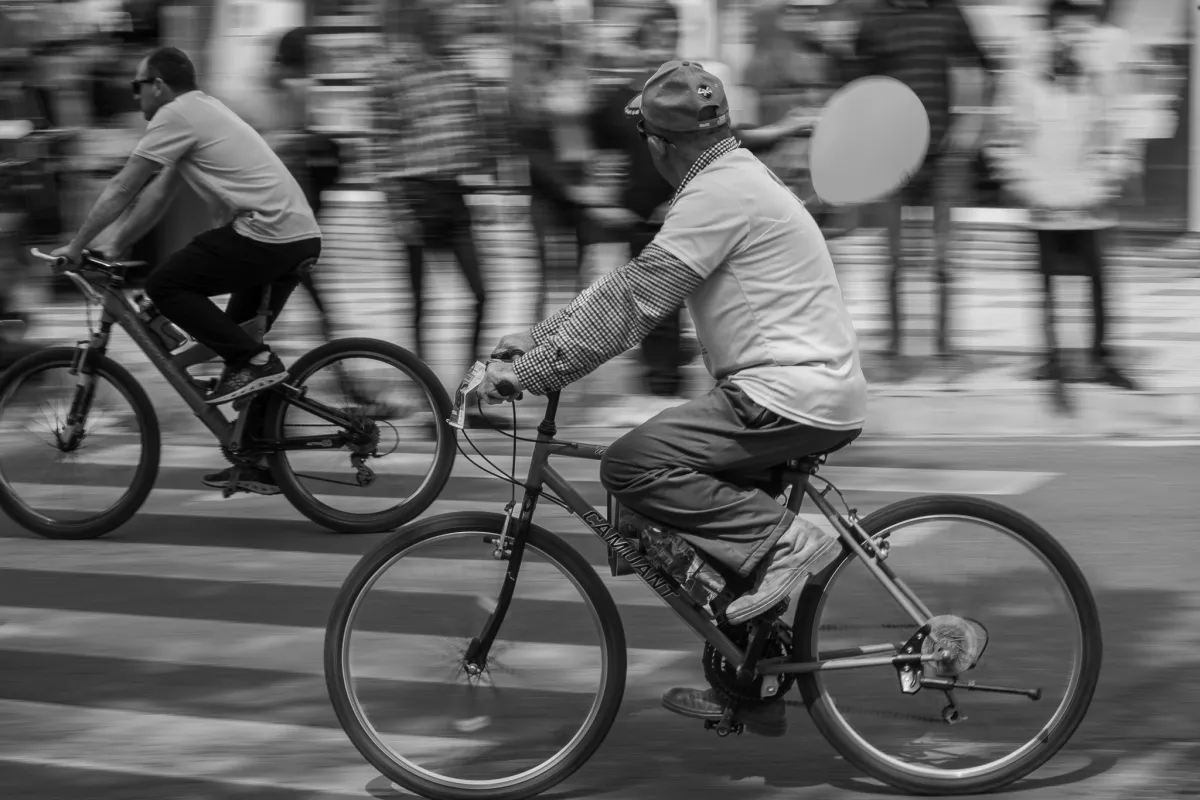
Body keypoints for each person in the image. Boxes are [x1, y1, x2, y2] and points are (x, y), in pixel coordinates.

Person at [480, 61, 867, 737]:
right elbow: (627, 284)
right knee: (642, 508)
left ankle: (788, 541)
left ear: (656, 143)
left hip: (786, 393)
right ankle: (750, 678)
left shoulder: (717, 193)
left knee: (632, 465)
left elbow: (636, 306)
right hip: (798, 388)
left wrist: (536, 373)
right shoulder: (729, 179)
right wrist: (536, 339)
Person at [51, 46, 322, 491]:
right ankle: (254, 456)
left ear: (159, 85)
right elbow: (157, 196)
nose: (135, 96)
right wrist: (115, 246)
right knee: (236, 336)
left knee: (166, 285)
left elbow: (124, 186)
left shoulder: (176, 114)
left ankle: (253, 360)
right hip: (291, 236)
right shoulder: (201, 111)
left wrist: (77, 245)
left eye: (138, 86)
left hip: (267, 233)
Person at [988, 0, 1140, 412]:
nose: (1071, 37)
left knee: (1100, 287)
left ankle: (1102, 357)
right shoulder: (1024, 80)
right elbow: (1004, 139)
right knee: (1049, 289)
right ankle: (1054, 359)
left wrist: (1105, 180)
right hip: (1045, 203)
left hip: (1091, 203)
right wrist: (1030, 186)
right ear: (1049, 34)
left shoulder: (1100, 80)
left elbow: (1118, 134)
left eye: (1080, 29)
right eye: (1063, 29)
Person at [854, 0, 997, 379]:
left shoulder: (948, 13)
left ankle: (947, 349)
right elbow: (856, 86)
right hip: (891, 156)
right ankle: (894, 352)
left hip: (946, 156)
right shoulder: (873, 17)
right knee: (894, 259)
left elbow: (983, 68)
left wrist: (973, 127)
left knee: (945, 258)